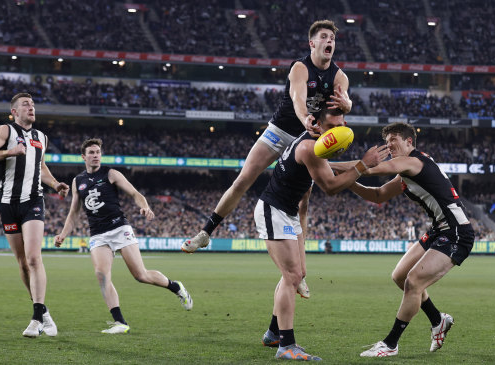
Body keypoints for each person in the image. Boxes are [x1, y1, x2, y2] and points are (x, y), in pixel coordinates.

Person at [182, 19, 353, 298]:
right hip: (281, 130)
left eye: (332, 37)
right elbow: (298, 99)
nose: (329, 41)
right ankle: (206, 232)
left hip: (307, 141)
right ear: (312, 43)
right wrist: (304, 119)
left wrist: (348, 104)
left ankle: (301, 272)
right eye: (324, 36)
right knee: (244, 179)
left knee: (303, 203)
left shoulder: (340, 77)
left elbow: (345, 101)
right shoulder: (300, 67)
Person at [257, 107, 389, 361]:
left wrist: (374, 166)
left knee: (296, 274)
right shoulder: (310, 148)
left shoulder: (316, 144)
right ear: (316, 124)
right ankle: (286, 346)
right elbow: (330, 186)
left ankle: (274, 333)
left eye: (341, 126)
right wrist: (363, 165)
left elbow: (331, 169)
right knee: (292, 275)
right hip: (273, 210)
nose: (337, 132)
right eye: (332, 127)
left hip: (288, 212)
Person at [340, 122, 475, 357]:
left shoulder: (413, 161)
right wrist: (347, 181)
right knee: (399, 277)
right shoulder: (407, 172)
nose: (389, 145)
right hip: (439, 230)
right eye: (387, 140)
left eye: (394, 140)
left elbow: (371, 169)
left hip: (456, 232)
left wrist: (324, 164)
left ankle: (390, 344)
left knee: (413, 282)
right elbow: (378, 195)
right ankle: (438, 320)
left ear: (409, 142)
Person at [54, 138, 193, 334]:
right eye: (91, 153)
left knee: (140, 275)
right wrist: (63, 234)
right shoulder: (78, 181)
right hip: (98, 234)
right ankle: (120, 322)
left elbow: (136, 194)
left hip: (119, 228)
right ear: (83, 157)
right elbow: (74, 213)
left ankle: (175, 286)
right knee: (102, 276)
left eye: (98, 152)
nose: (96, 156)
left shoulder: (111, 173)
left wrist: (144, 206)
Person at [0, 92, 69, 337]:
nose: (31, 107)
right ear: (14, 111)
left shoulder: (41, 137)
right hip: (7, 204)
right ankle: (43, 311)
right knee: (22, 263)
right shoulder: (5, 131)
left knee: (34, 257)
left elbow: (41, 167)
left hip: (33, 201)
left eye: (33, 104)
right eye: (26, 105)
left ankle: (36, 318)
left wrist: (55, 184)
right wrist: (9, 153)